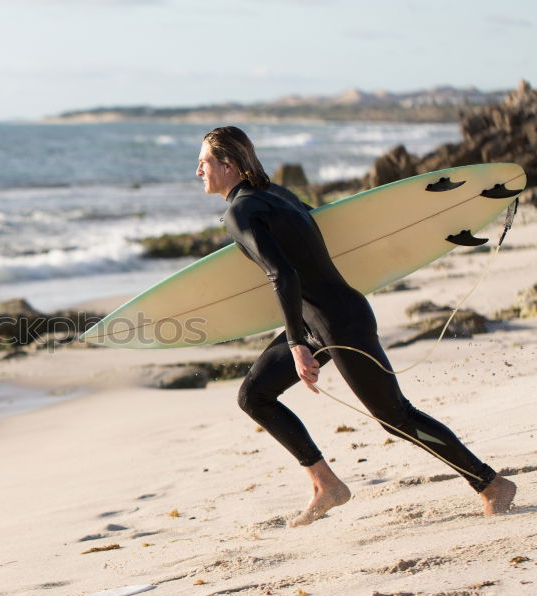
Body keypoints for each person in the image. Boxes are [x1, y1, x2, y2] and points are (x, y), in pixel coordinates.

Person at [195, 126, 516, 527]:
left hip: (339, 324)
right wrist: (302, 336)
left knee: (396, 417)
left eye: (204, 162)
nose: (198, 171)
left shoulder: (239, 212)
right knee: (254, 396)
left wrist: (296, 345)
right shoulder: (277, 196)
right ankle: (325, 484)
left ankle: (491, 484)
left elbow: (284, 276)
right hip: (324, 320)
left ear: (229, 165)